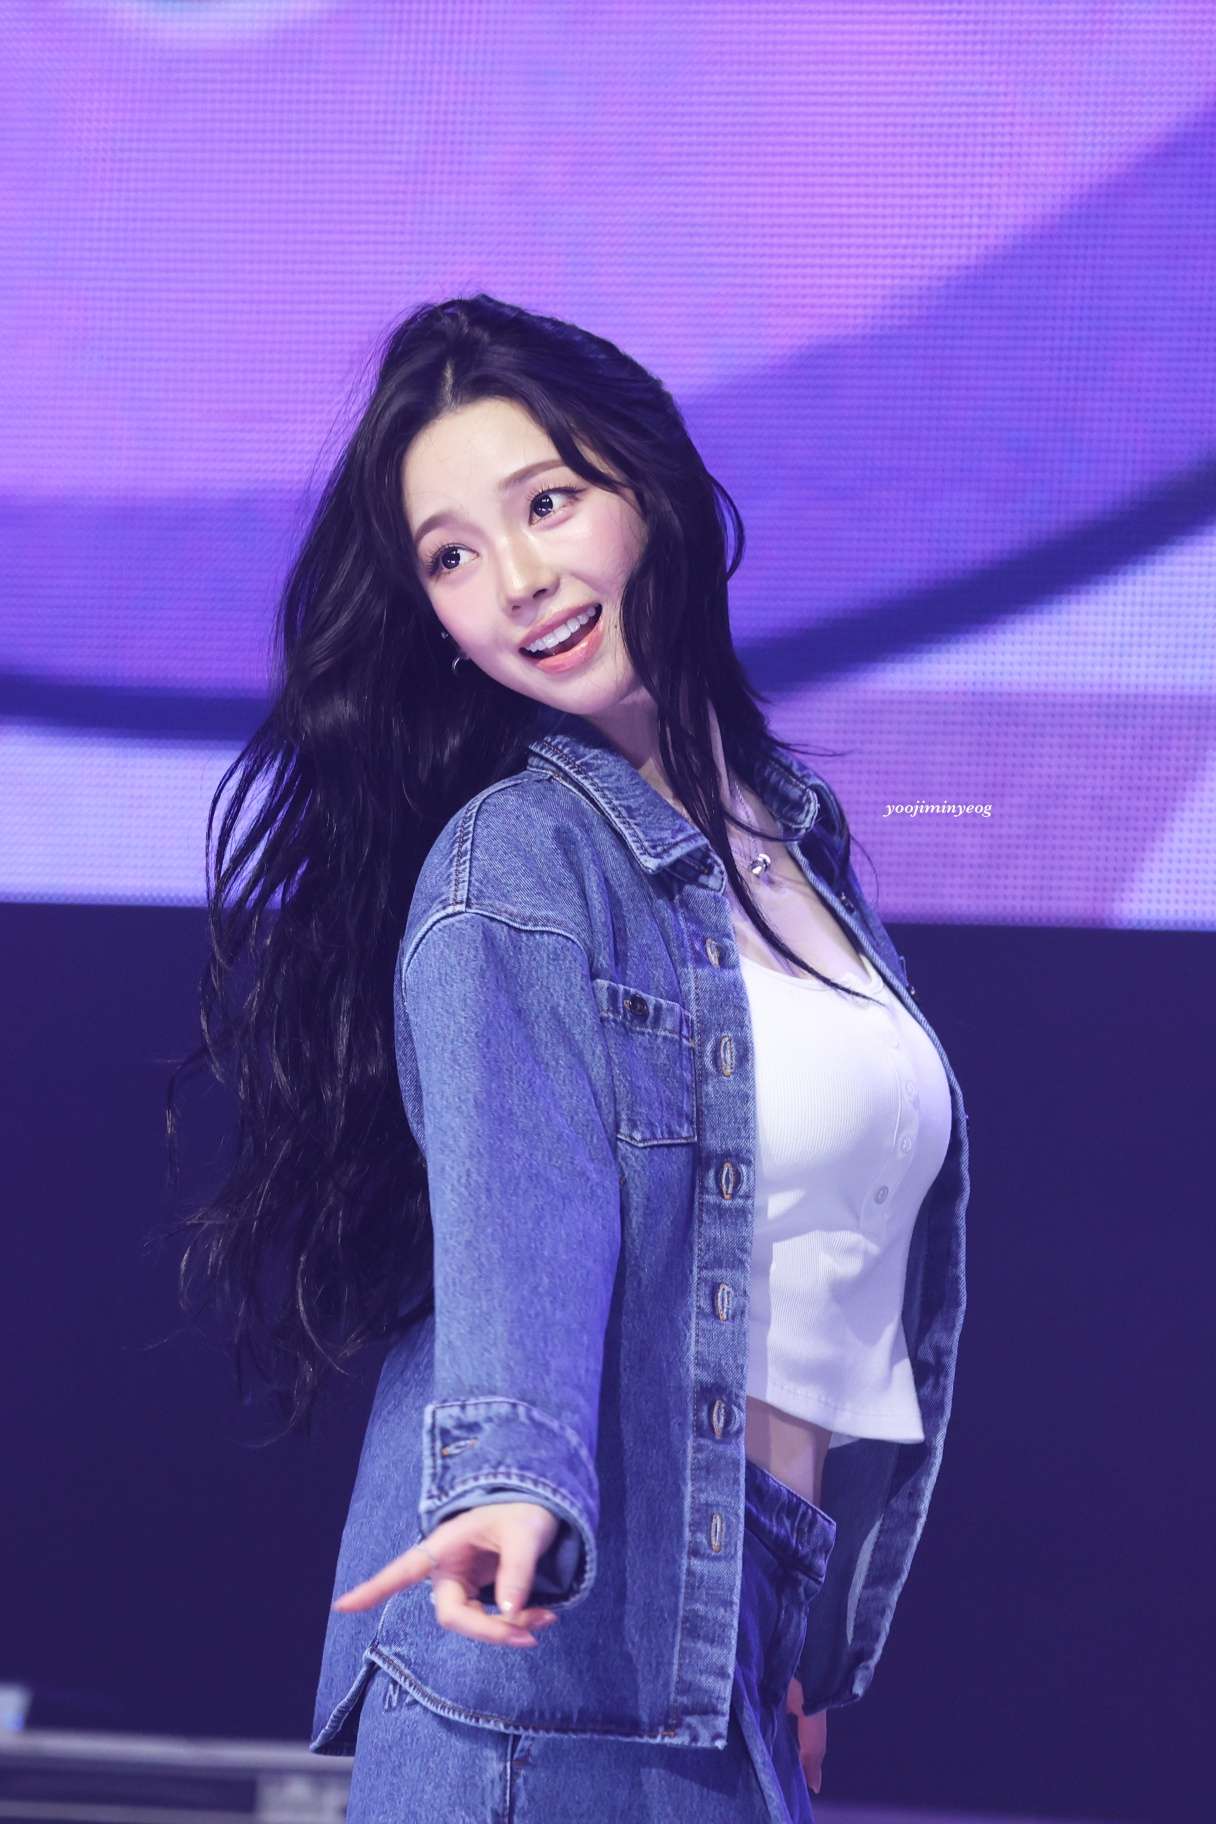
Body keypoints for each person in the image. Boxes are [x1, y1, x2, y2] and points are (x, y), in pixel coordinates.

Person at [166, 294, 970, 1823]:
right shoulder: (520, 861)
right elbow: (521, 1212)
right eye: (452, 556)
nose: (518, 582)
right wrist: (508, 1483)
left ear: (649, 487)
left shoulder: (796, 837)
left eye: (546, 504)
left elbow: (844, 1264)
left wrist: (790, 1647)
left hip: (725, 1642)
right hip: (549, 1680)